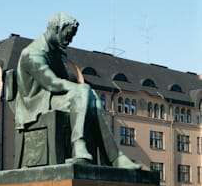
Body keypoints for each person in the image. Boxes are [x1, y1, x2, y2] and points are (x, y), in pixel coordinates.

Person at [15, 12, 140, 169]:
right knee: (83, 92)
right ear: (56, 29)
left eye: (72, 36)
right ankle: (79, 145)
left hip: (53, 99)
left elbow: (64, 83)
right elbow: (52, 83)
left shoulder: (59, 52)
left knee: (91, 96)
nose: (70, 40)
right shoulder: (32, 53)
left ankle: (116, 157)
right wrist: (81, 89)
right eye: (68, 34)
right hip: (36, 104)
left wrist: (82, 90)